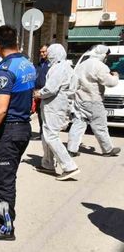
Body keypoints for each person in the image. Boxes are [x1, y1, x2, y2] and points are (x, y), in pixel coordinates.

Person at [0, 25, 36, 241]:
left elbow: (0, 108)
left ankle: (5, 227)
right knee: (6, 178)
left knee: (3, 181)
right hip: (22, 128)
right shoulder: (27, 64)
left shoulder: (6, 70)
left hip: (9, 131)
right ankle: (3, 215)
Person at [34, 44, 80, 180]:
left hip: (54, 106)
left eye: (49, 53)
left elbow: (51, 89)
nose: (47, 55)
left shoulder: (59, 68)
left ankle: (69, 166)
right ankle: (47, 164)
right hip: (56, 105)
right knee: (46, 134)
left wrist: (38, 93)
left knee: (51, 136)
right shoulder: (66, 67)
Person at [67, 44, 121, 157]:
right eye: (106, 55)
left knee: (78, 124)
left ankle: (71, 149)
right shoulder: (100, 66)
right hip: (94, 100)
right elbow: (110, 83)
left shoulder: (82, 65)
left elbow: (74, 83)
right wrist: (115, 76)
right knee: (100, 126)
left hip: (80, 100)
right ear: (102, 54)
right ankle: (107, 149)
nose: (106, 58)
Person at [33, 44, 50, 140]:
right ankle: (41, 133)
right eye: (41, 52)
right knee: (40, 113)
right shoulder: (39, 64)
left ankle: (46, 134)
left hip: (47, 92)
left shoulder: (51, 64)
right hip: (38, 92)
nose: (42, 54)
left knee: (46, 114)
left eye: (44, 52)